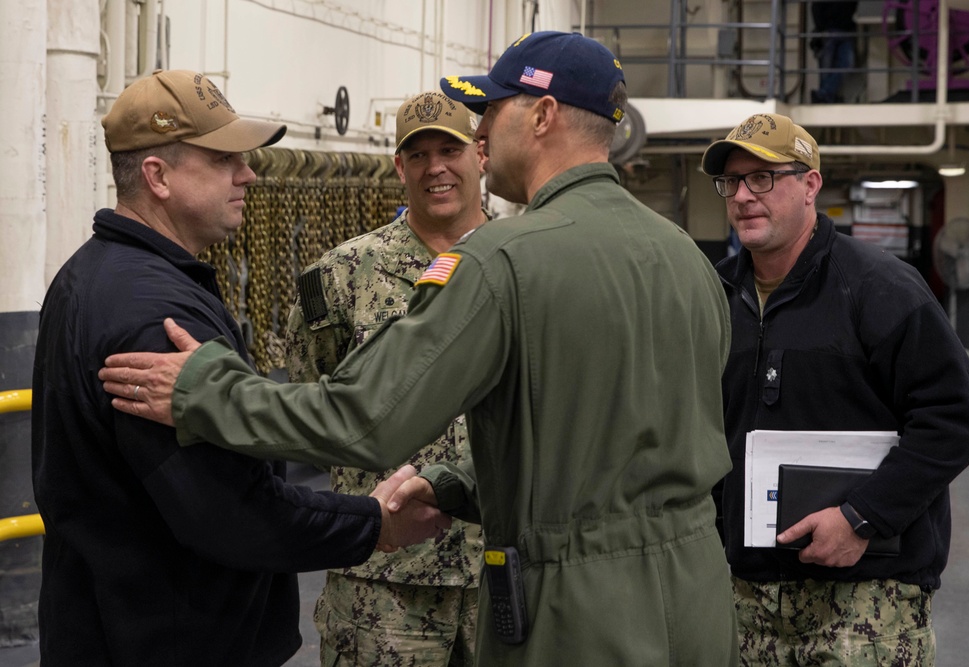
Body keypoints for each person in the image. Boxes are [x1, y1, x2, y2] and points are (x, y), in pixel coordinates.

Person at [99, 32, 739, 666]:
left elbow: (363, 419)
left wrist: (205, 390)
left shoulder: (503, 261)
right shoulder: (689, 260)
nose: (481, 133)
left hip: (579, 614)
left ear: (543, 115)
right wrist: (461, 486)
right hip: (697, 597)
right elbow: (616, 452)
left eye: (492, 110)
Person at [31, 69, 447, 666]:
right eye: (224, 158)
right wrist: (371, 523)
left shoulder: (92, 275)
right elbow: (231, 512)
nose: (248, 173)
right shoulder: (157, 317)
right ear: (158, 177)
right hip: (173, 641)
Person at [701, 112, 969, 665]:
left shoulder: (879, 288)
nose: (742, 196)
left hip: (866, 603)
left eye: (762, 178)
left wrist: (862, 516)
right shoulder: (715, 296)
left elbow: (955, 421)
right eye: (731, 182)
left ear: (810, 185)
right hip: (745, 599)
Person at [285, 90, 486, 666]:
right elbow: (310, 404)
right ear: (399, 167)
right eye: (417, 155)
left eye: (449, 149)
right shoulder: (343, 275)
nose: (435, 167)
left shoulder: (525, 261)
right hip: (383, 585)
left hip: (503, 565)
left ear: (480, 155)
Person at [810, 1, 858, 104]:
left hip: (842, 31)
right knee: (829, 68)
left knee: (844, 65)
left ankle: (823, 94)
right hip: (832, 31)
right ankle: (826, 96)